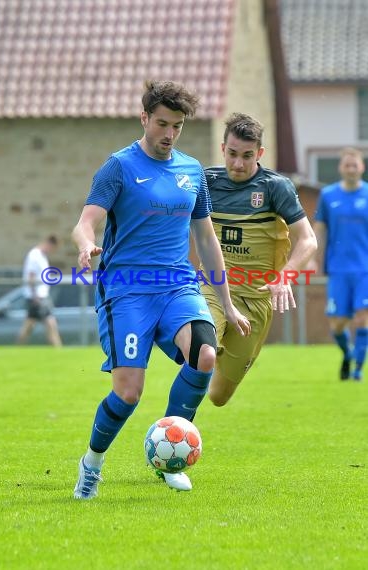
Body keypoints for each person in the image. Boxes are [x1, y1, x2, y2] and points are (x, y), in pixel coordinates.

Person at [71, 80, 251, 499]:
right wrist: (84, 245)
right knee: (129, 392)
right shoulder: (118, 166)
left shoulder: (191, 172)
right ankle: (91, 464)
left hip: (177, 285)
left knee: (205, 354)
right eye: (162, 124)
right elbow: (86, 221)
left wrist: (226, 303)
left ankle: (168, 453)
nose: (169, 134)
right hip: (127, 290)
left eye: (178, 126)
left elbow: (207, 241)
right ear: (145, 119)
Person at [190, 113, 317, 406]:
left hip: (256, 301)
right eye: (232, 154)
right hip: (212, 287)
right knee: (201, 350)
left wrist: (285, 277)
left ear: (259, 153)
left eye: (247, 156)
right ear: (223, 149)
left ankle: (219, 359)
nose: (237, 163)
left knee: (219, 396)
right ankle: (177, 426)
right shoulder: (206, 181)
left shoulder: (276, 187)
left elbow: (308, 240)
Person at [313, 147, 368, 381]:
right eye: (347, 165)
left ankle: (356, 370)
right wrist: (314, 257)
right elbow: (319, 228)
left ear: (362, 168)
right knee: (337, 323)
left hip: (365, 268)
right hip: (337, 268)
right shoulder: (328, 195)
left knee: (362, 317)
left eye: (355, 165)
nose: (351, 169)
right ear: (341, 168)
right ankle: (348, 354)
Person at [17, 235, 62, 347]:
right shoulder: (35, 255)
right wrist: (35, 296)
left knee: (29, 324)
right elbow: (31, 276)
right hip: (38, 297)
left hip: (40, 295)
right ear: (49, 244)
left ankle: (18, 348)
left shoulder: (42, 256)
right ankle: (59, 350)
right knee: (51, 323)